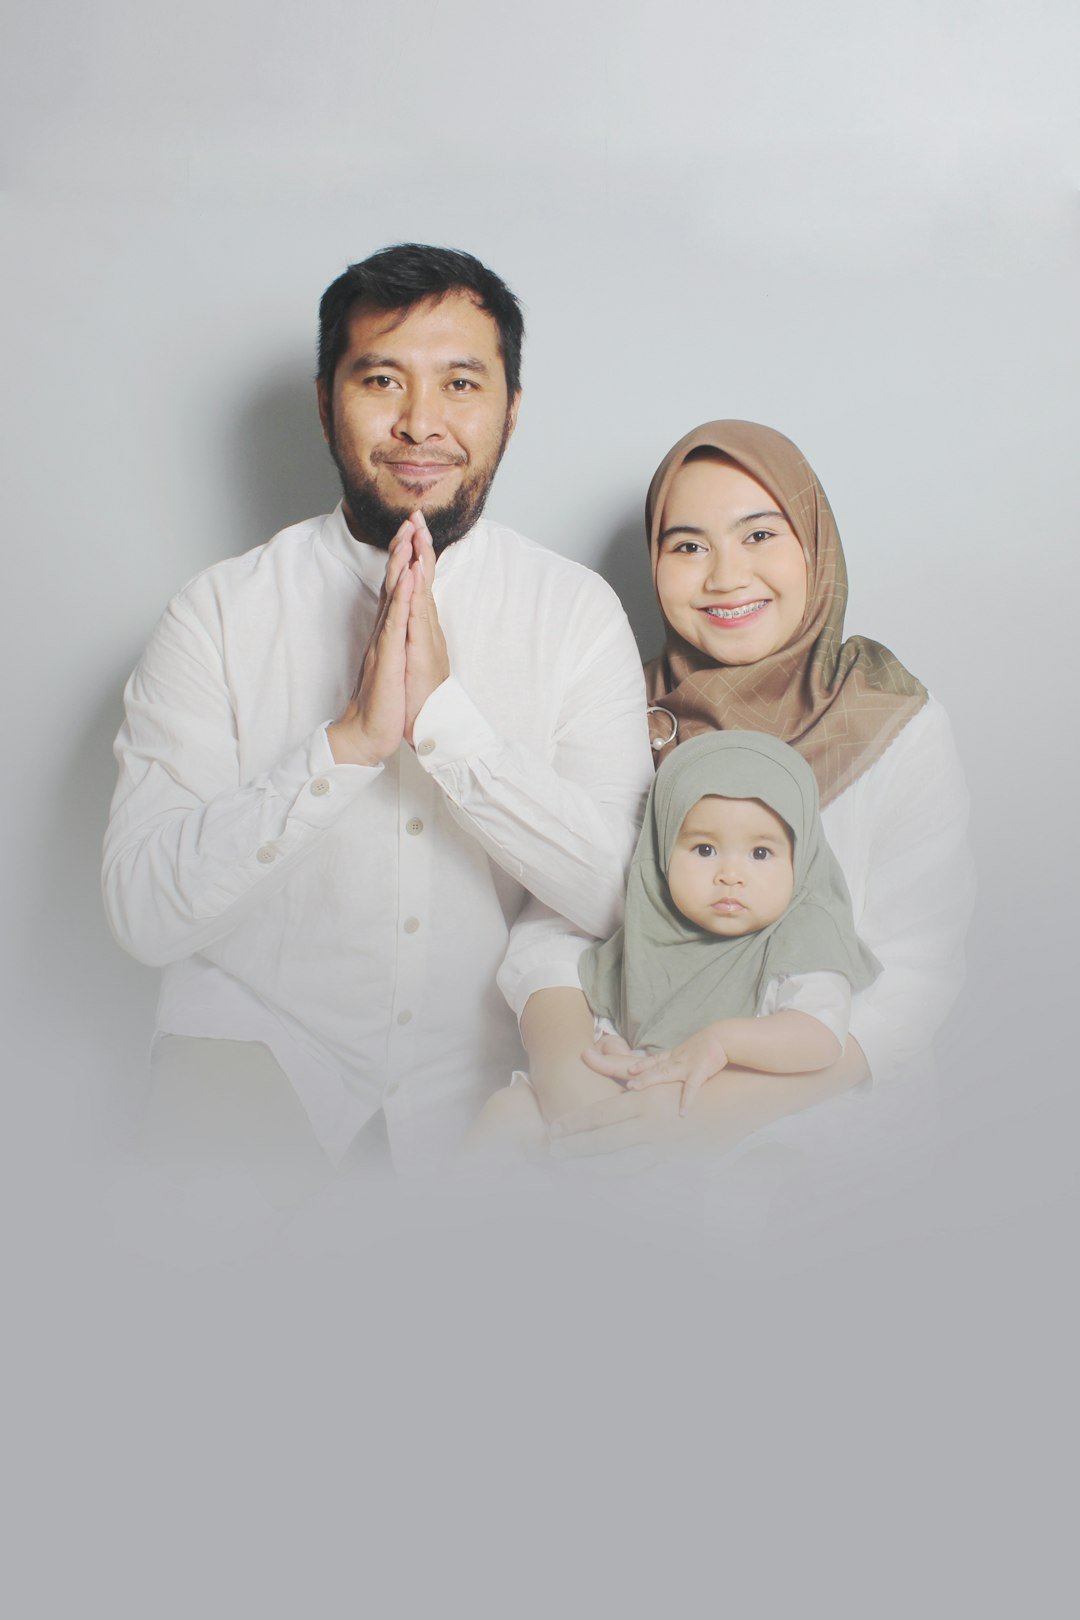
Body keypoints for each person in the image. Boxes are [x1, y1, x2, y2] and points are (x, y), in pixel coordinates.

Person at [102, 243, 654, 1188]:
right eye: (383, 380)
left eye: (461, 384)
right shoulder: (219, 612)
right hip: (251, 1062)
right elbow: (144, 913)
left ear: (510, 410)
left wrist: (446, 725)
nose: (420, 423)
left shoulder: (575, 615)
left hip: (494, 1090)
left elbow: (628, 900)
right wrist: (348, 743)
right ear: (326, 402)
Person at [479, 419, 972, 1176]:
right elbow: (557, 923)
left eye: (759, 535)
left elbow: (918, 971)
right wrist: (574, 1087)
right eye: (687, 545)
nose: (724, 576)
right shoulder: (616, 714)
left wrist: (719, 1113)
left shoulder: (893, 723)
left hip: (821, 1117)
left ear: (814, 542)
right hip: (628, 1085)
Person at [577, 730, 880, 1117]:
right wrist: (614, 1047)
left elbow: (820, 1035)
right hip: (644, 1096)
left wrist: (724, 1040)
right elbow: (609, 1012)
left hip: (740, 1117)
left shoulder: (804, 935)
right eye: (705, 849)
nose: (731, 875)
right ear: (662, 849)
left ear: (800, 859)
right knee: (514, 1108)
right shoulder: (647, 930)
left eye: (760, 852)